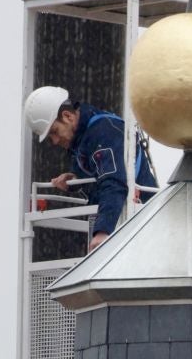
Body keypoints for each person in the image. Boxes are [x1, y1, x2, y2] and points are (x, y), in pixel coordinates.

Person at [23, 85, 157, 250]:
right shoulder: (85, 136)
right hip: (132, 228)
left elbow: (113, 181)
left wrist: (102, 232)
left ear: (68, 116)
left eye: (54, 132)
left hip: (138, 228)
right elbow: (99, 176)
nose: (55, 141)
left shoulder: (104, 133)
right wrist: (75, 179)